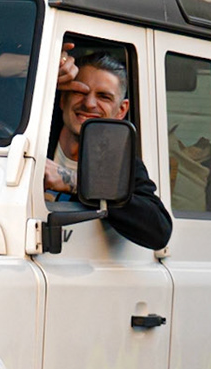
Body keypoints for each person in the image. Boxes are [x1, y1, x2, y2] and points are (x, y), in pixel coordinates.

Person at [45, 43, 172, 251]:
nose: (89, 104)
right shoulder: (32, 137)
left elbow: (159, 230)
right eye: (80, 92)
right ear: (62, 99)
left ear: (121, 110)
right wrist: (46, 63)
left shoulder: (120, 162)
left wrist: (74, 182)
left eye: (104, 96)